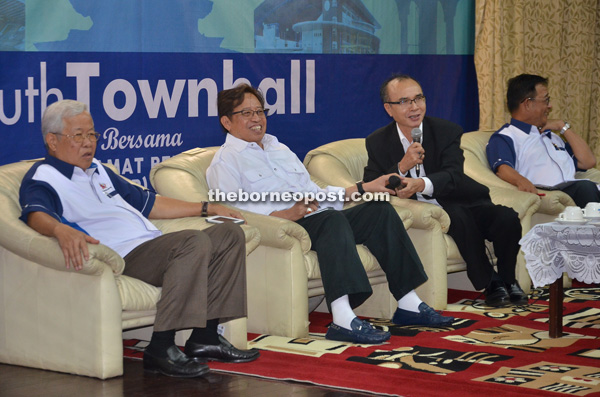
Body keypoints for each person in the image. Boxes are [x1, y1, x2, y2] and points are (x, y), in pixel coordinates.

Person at [19, 100, 259, 378]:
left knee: (228, 233)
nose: (88, 143)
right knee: (194, 242)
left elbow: (150, 204)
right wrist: (60, 230)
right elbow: (35, 214)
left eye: (92, 134)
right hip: (122, 255)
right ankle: (160, 347)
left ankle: (205, 337)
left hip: (152, 244)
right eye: (78, 135)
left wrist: (207, 207)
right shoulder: (43, 177)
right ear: (52, 140)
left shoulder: (99, 170)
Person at [206, 84, 455, 345]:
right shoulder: (225, 162)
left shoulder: (279, 149)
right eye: (247, 113)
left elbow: (317, 193)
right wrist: (287, 213)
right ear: (226, 121)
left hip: (317, 215)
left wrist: (364, 187)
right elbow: (233, 212)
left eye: (260, 111)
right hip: (285, 227)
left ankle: (408, 303)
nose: (257, 119)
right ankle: (342, 318)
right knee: (331, 220)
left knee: (379, 210)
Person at [363, 74, 527, 308]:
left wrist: (422, 183)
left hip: (462, 197)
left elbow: (453, 174)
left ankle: (509, 281)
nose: (414, 107)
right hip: (429, 210)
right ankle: (490, 282)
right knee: (458, 218)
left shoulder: (446, 131)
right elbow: (371, 182)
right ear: (389, 109)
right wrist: (402, 167)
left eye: (418, 98)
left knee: (507, 218)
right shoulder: (377, 141)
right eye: (404, 101)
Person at [486, 74, 599, 207]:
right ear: (527, 103)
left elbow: (588, 162)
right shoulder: (507, 136)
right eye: (546, 100)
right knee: (586, 188)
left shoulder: (552, 137)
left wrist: (563, 127)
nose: (550, 106)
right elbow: (502, 168)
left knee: (588, 187)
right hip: (549, 192)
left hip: (575, 190)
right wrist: (521, 181)